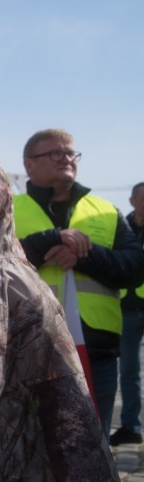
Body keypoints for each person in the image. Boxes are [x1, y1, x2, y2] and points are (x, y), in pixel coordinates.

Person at [13, 129, 144, 439]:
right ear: (29, 164)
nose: (66, 159)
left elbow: (135, 269)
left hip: (95, 352)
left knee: (93, 444)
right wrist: (48, 241)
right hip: (26, 349)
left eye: (71, 153)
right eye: (55, 153)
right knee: (33, 448)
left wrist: (83, 254)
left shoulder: (106, 210)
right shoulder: (6, 207)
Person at [112, 181, 144, 445]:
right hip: (128, 310)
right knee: (129, 371)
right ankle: (131, 426)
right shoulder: (121, 229)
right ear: (132, 201)